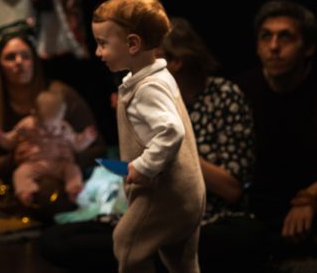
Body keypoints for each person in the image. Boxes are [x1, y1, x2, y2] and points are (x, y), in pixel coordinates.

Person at [41, 16, 269, 272]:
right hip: (151, 214)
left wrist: (172, 147)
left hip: (207, 217)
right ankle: (152, 255)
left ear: (175, 62)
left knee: (247, 238)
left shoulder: (223, 96)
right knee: (56, 239)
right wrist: (129, 120)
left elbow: (232, 189)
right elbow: (137, 174)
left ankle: (151, 255)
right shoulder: (141, 96)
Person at [90, 0, 205, 273]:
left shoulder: (148, 88)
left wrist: (144, 166)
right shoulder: (158, 77)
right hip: (189, 195)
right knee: (182, 262)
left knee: (127, 245)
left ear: (132, 43)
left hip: (165, 195)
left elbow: (171, 131)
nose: (98, 52)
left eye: (103, 44)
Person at [0, 20, 105, 213]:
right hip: (21, 182)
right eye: (10, 57)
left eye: (25, 56)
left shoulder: (60, 96)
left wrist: (69, 154)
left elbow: (98, 148)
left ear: (34, 61)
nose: (19, 62)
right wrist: (13, 160)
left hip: (62, 178)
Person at [234, 0, 317, 263]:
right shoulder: (240, 91)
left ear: (308, 47)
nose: (274, 46)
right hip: (255, 212)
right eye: (266, 36)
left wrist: (310, 198)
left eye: (285, 37)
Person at [0, 90, 97, 205]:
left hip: (59, 163)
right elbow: (11, 141)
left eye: (54, 126)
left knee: (73, 169)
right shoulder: (26, 125)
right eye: (43, 126)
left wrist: (86, 138)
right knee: (20, 173)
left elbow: (76, 145)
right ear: (33, 114)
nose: (49, 130)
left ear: (62, 117)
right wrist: (2, 138)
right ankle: (26, 193)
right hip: (34, 163)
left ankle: (74, 190)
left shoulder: (64, 128)